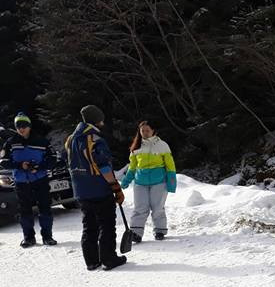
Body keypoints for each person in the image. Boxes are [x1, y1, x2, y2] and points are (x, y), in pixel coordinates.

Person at [65, 105, 127, 271]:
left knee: (89, 225)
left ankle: (91, 261)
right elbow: (104, 166)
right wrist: (115, 187)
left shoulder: (71, 139)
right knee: (106, 225)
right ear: (97, 120)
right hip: (99, 190)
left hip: (81, 191)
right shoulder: (95, 139)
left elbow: (68, 161)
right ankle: (108, 259)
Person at [0, 112, 58, 248]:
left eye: (24, 125)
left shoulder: (41, 141)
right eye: (18, 126)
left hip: (40, 179)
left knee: (45, 208)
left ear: (29, 126)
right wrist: (20, 165)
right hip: (21, 181)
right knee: (25, 210)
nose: (21, 129)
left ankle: (47, 236)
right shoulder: (11, 143)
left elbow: (52, 159)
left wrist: (39, 167)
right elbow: (3, 161)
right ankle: (28, 237)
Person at [120, 120, 177, 242]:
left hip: (159, 182)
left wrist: (172, 182)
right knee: (140, 208)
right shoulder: (136, 147)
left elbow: (170, 166)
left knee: (157, 208)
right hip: (140, 183)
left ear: (153, 131)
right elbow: (133, 167)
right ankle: (136, 233)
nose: (145, 133)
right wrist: (126, 180)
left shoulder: (162, 145)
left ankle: (160, 231)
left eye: (147, 130)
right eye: (142, 131)